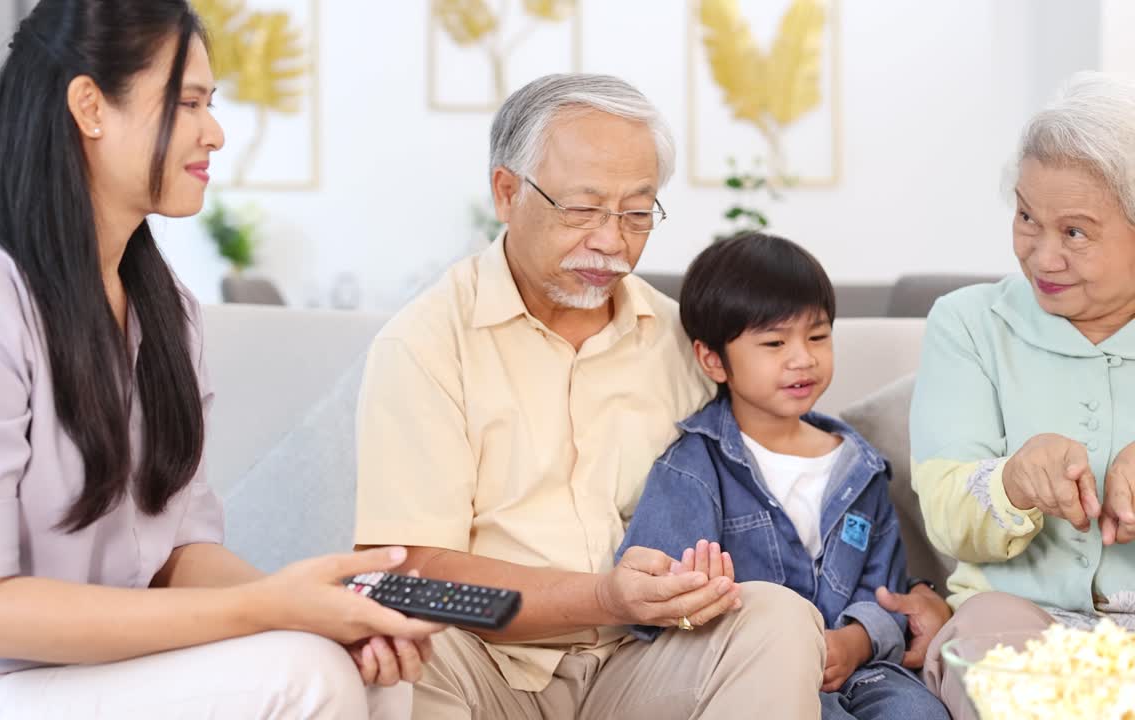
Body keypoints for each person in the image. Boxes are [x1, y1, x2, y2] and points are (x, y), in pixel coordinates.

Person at [0, 2, 439, 718]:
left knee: (377, 674)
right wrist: (266, 610)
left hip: (74, 676)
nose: (215, 132)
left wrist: (312, 609)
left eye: (210, 103)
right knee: (304, 673)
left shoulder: (166, 310)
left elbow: (174, 558)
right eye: (188, 101)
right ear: (90, 106)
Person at [354, 72, 829, 719]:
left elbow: (791, 465)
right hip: (487, 665)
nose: (612, 241)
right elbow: (413, 571)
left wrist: (888, 600)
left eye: (637, 213)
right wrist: (603, 596)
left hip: (646, 660)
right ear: (506, 191)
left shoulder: (683, 342)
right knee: (396, 643)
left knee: (777, 615)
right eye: (582, 209)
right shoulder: (425, 343)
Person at [618, 233, 950, 720]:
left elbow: (887, 590)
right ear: (713, 359)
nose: (802, 357)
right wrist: (691, 600)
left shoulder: (862, 468)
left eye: (817, 336)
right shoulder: (693, 468)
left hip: (861, 671)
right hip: (755, 673)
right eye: (774, 342)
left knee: (919, 713)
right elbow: (653, 609)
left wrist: (856, 642)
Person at [912, 71, 1135, 719]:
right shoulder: (969, 325)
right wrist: (1011, 482)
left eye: (1075, 232)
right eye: (1026, 217)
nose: (1041, 256)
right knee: (996, 661)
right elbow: (947, 512)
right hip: (1017, 621)